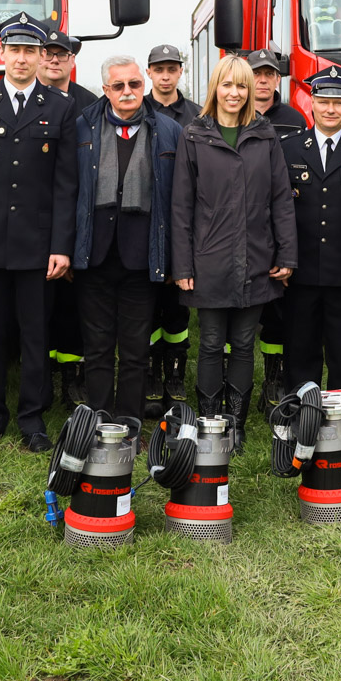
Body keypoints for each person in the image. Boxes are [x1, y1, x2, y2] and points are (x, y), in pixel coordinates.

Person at [0, 13, 76, 454]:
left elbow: (66, 185)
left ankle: (32, 418)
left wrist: (61, 246)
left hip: (38, 245)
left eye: (31, 51)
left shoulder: (60, 108)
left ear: (42, 56)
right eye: (15, 50)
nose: (22, 59)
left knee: (35, 335)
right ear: (1, 53)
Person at [171, 54, 296, 450]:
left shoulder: (265, 136)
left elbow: (281, 199)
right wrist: (182, 264)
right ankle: (211, 423)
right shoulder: (194, 135)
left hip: (256, 256)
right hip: (209, 259)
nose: (235, 93)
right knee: (210, 342)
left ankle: (236, 424)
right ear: (215, 88)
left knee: (243, 343)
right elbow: (181, 206)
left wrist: (287, 254)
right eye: (228, 84)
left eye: (242, 86)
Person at [72, 54, 180, 422]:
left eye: (134, 84)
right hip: (95, 256)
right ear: (105, 90)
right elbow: (68, 192)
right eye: (118, 86)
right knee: (98, 347)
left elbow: (177, 200)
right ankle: (101, 420)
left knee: (135, 350)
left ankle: (130, 422)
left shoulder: (168, 130)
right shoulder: (82, 128)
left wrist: (171, 257)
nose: (128, 91)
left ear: (143, 84)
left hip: (142, 256)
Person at [281, 67, 341, 425]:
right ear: (311, 103)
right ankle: (301, 416)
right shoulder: (289, 148)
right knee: (301, 349)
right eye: (323, 102)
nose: (330, 109)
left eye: (338, 103)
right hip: (301, 269)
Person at [242, 49, 305, 414]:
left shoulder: (295, 120)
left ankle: (275, 376)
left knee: (278, 312)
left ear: (278, 79)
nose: (263, 80)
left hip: (281, 224)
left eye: (269, 74)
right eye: (257, 74)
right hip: (243, 228)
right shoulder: (234, 117)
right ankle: (232, 379)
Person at [39, 25, 93, 409]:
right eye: (48, 52)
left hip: (74, 221)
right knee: (36, 309)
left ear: (73, 60)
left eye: (62, 54)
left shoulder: (89, 105)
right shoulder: (24, 102)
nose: (54, 59)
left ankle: (72, 378)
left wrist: (75, 241)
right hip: (31, 224)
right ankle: (40, 378)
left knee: (73, 309)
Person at [143, 42, 197, 417]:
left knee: (178, 309)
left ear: (181, 72)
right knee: (145, 309)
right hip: (145, 222)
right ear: (149, 73)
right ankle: (148, 374)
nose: (165, 75)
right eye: (158, 69)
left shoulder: (196, 114)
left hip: (183, 221)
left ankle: (175, 373)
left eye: (171, 68)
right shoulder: (134, 108)